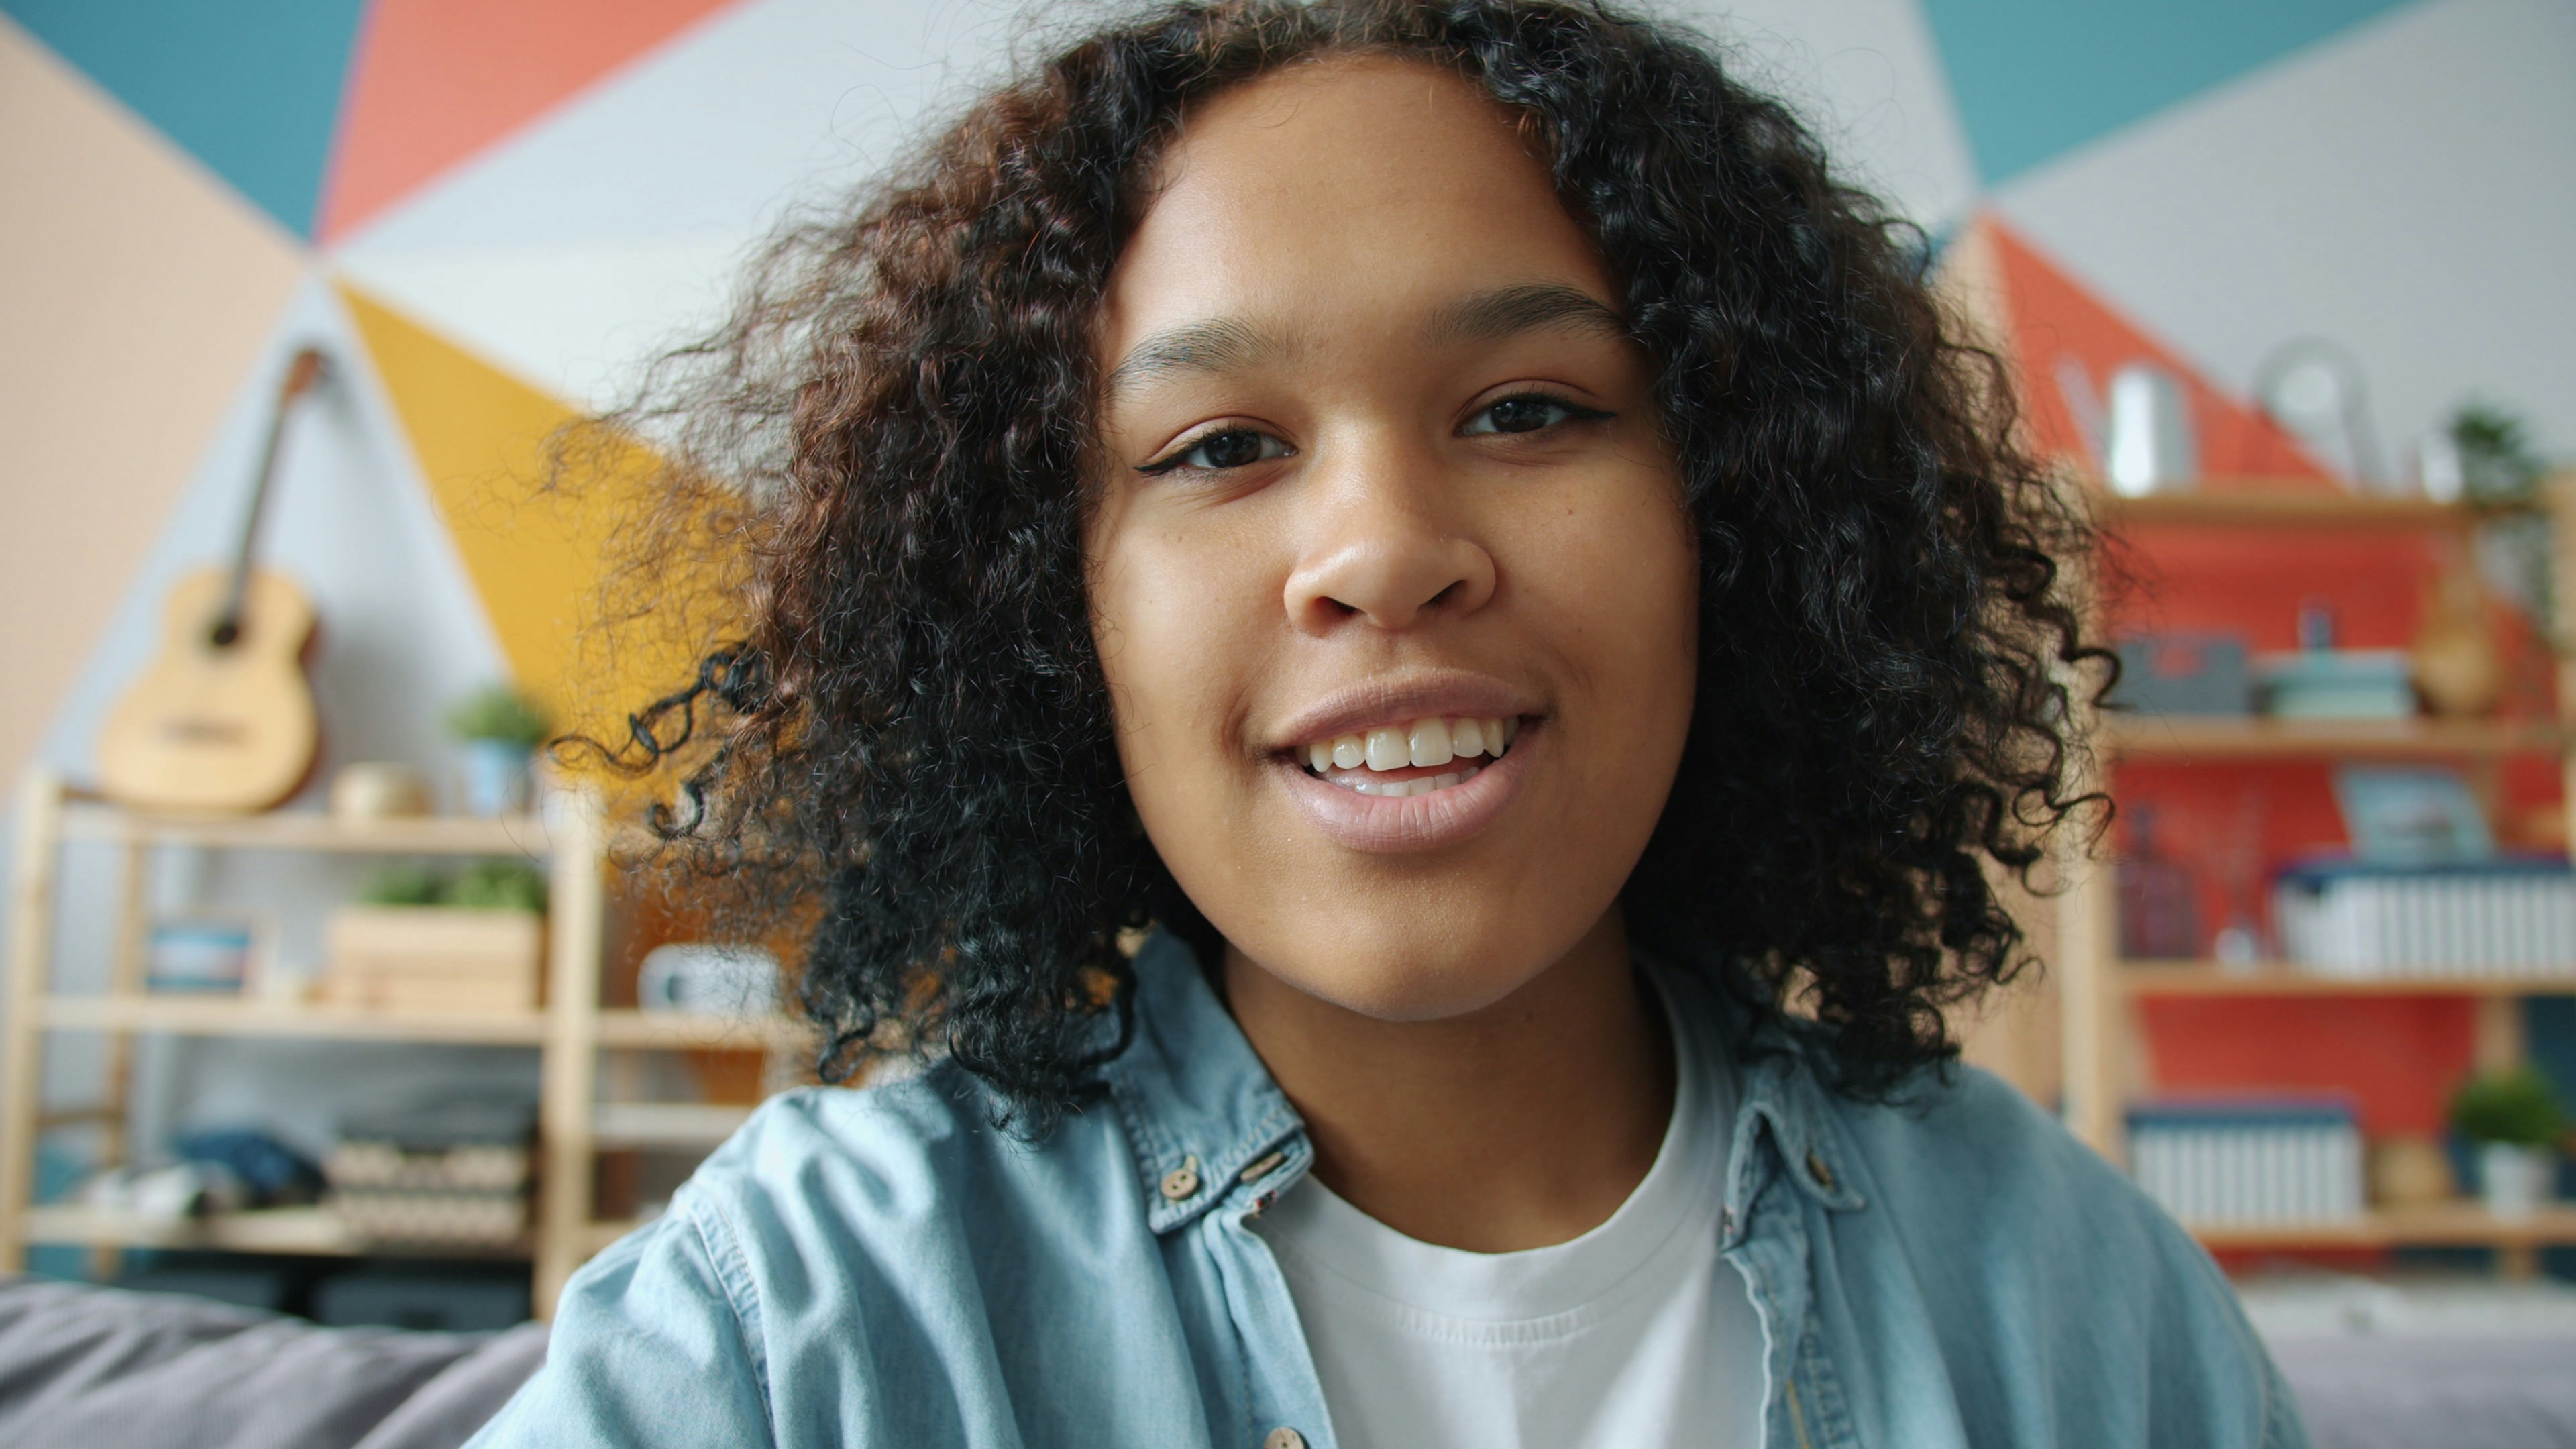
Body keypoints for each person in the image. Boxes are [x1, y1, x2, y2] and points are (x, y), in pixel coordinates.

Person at [472, 2, 2304, 1446]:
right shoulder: (796, 1325)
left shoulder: (2074, 1306)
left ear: (1736, 523)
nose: (1383, 553)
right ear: (1046, 610)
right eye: (1220, 446)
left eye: (1527, 410)